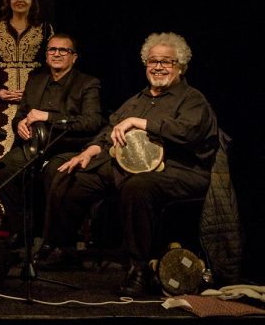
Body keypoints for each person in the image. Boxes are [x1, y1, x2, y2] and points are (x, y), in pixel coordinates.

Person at [41, 33, 218, 295]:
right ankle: (64, 248)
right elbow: (110, 128)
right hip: (129, 166)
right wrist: (90, 150)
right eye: (153, 61)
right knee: (71, 174)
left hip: (178, 170)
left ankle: (140, 268)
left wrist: (140, 123)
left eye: (166, 62)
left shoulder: (192, 99)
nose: (158, 67)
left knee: (137, 187)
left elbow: (188, 133)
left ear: (180, 66)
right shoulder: (138, 99)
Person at [0, 33, 101, 244]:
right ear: (47, 55)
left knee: (53, 174)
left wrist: (48, 117)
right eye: (52, 50)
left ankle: (54, 239)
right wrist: (19, 125)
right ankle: (23, 229)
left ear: (74, 57)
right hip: (34, 146)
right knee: (2, 169)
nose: (57, 54)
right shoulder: (36, 81)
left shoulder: (87, 83)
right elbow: (21, 115)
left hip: (67, 147)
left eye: (63, 50)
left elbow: (92, 122)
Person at [0, 0, 53, 165]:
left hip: (34, 103)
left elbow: (49, 66)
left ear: (33, 1)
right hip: (2, 102)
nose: (20, 0)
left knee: (33, 152)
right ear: (8, 0)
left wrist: (34, 92)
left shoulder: (45, 29)